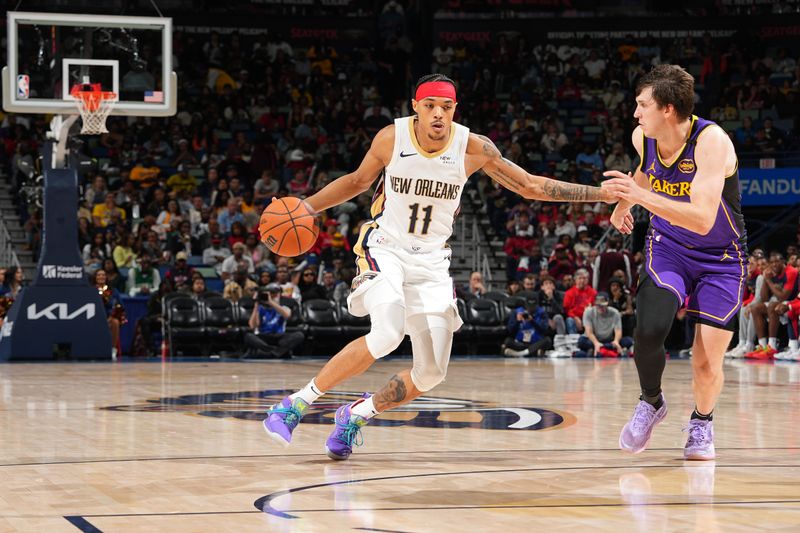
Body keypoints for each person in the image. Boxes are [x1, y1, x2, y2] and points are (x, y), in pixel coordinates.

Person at [262, 73, 616, 460]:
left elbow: (530, 185)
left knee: (431, 373)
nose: (437, 114)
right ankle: (295, 404)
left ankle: (356, 415)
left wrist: (603, 195)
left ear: (454, 110)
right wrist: (309, 206)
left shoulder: (474, 148)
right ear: (415, 107)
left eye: (445, 107)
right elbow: (358, 181)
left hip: (432, 263)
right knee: (387, 334)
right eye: (429, 105)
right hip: (387, 248)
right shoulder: (391, 138)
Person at [604, 64, 748, 461]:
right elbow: (645, 175)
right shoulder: (642, 138)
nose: (635, 113)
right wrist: (624, 202)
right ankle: (651, 401)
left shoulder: (711, 142)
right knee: (648, 329)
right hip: (668, 246)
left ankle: (702, 421)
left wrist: (637, 195)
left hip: (720, 257)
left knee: (705, 362)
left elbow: (703, 219)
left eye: (642, 105)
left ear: (667, 109)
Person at [244, 284, 305, 358]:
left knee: (299, 335)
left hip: (279, 336)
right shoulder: (260, 308)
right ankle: (276, 351)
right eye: (271, 294)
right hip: (264, 336)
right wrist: (256, 305)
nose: (273, 296)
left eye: (274, 294)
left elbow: (287, 315)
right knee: (248, 336)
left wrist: (270, 302)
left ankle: (271, 353)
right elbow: (252, 326)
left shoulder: (283, 307)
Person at [575, 292, 633, 357]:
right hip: (593, 340)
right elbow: (589, 332)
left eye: (602, 305)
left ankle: (598, 349)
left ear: (607, 303)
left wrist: (616, 341)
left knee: (628, 341)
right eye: (598, 305)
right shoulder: (588, 312)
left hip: (609, 340)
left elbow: (618, 331)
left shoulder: (615, 313)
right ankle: (600, 349)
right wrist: (596, 343)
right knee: (581, 341)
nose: (600, 307)